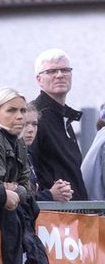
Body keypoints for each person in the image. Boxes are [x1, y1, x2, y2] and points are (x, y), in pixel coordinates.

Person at [29, 49, 86, 200]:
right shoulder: (35, 117)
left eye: (65, 70)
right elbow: (28, 167)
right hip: (52, 215)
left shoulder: (64, 116)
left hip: (73, 214)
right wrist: (47, 196)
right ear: (39, 79)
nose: (60, 75)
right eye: (52, 71)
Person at [0, 88, 34, 201]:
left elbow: (28, 188)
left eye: (23, 110)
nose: (20, 116)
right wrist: (18, 190)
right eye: (11, 110)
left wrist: (18, 190)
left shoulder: (18, 140)